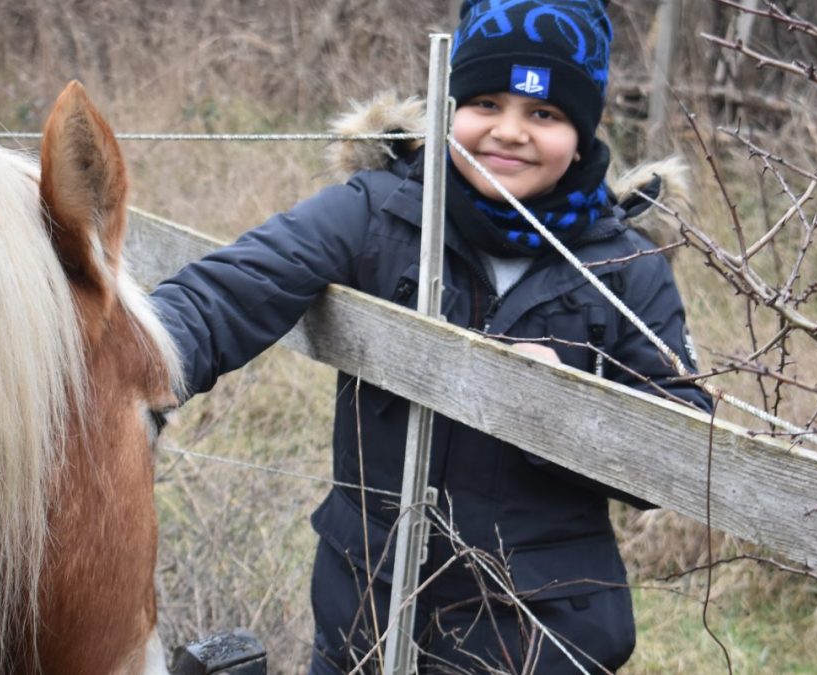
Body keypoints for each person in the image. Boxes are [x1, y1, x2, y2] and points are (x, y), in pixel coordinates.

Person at [151, 0, 710, 671]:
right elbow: (231, 289)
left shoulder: (626, 266)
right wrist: (141, 359)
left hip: (546, 645)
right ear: (451, 109)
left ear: (583, 132)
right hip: (368, 627)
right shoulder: (378, 211)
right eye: (485, 104)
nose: (510, 132)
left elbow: (687, 444)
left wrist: (571, 400)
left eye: (545, 113)